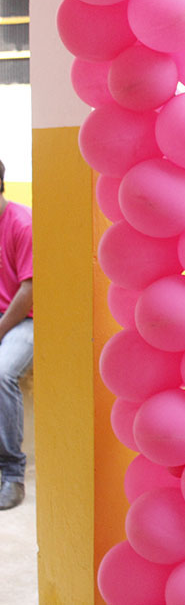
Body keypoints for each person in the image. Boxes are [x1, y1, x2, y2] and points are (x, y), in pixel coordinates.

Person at [0, 158, 34, 511]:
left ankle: (12, 473)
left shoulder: (21, 223)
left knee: (2, 374)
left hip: (25, 319)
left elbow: (28, 291)